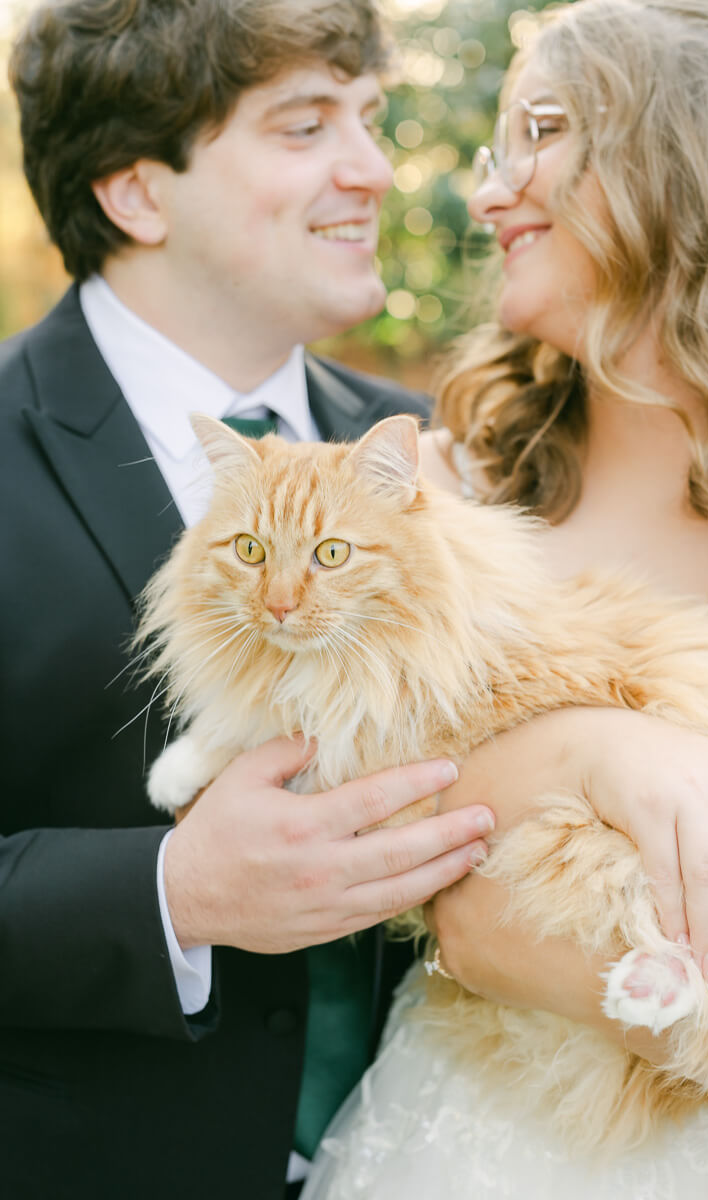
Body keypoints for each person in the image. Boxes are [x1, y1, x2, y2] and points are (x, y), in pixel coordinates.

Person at [300, 0, 708, 1195]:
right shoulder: (458, 479)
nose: (487, 194)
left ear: (691, 154)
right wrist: (576, 750)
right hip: (461, 1132)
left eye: (540, 130)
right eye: (494, 145)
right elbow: (349, 817)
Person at [0, 2, 497, 1197]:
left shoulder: (437, 454)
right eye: (304, 125)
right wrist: (172, 896)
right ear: (138, 194)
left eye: (370, 121)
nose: (373, 170)